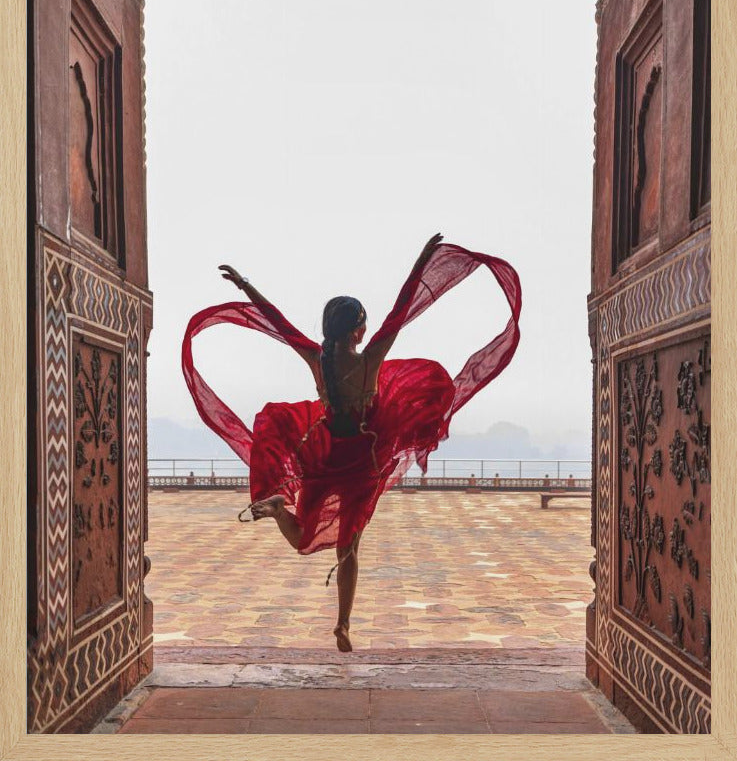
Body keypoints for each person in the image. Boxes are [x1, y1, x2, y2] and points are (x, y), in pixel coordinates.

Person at [182, 235, 521, 652]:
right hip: (359, 460)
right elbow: (401, 311)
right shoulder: (369, 360)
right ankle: (339, 617)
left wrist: (245, 284)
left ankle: (328, 600)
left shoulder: (318, 359)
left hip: (327, 455)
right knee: (345, 548)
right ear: (359, 330)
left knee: (309, 538)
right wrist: (422, 260)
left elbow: (277, 322)